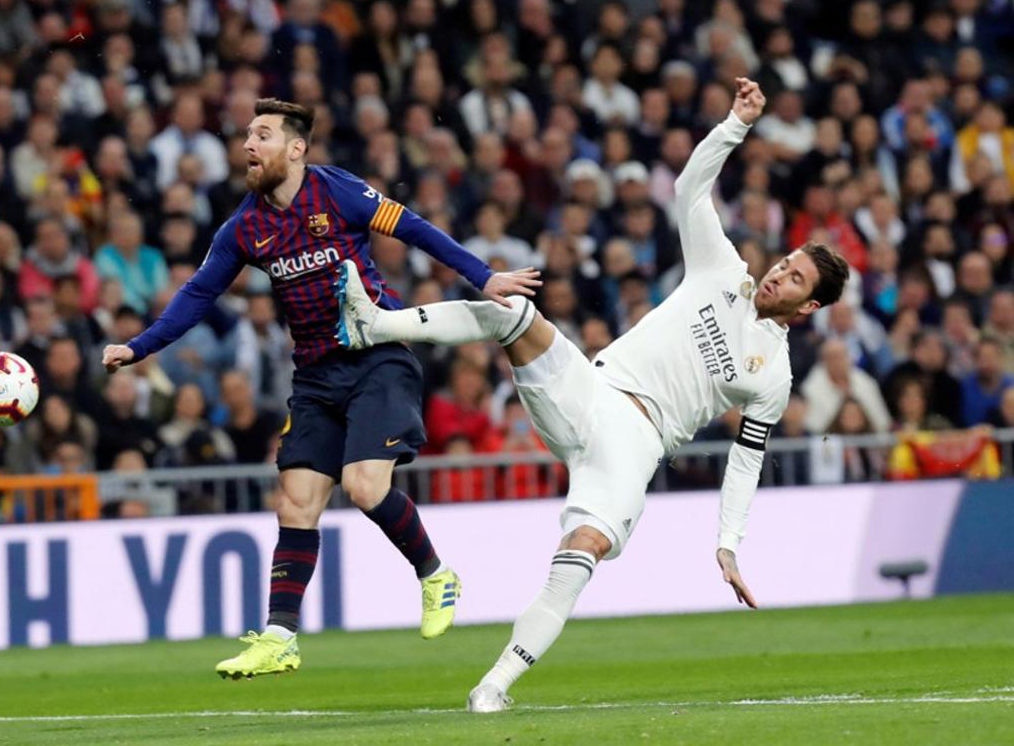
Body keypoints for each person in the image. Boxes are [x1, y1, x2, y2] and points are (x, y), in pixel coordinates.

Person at [336, 79, 849, 712]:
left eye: (796, 277)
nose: (779, 273)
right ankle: (375, 324)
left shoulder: (773, 373)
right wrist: (735, 125)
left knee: (580, 556)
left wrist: (728, 543)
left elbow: (747, 458)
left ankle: (492, 686)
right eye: (786, 261)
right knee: (513, 314)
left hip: (635, 448)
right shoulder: (724, 271)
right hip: (591, 389)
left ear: (811, 304)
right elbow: (690, 189)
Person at [101, 99, 539, 678]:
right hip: (314, 377)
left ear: (297, 148)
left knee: (362, 486)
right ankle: (280, 636)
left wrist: (483, 276)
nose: (248, 146)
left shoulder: (338, 193)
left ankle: (435, 574)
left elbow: (412, 228)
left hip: (379, 358)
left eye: (262, 135)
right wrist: (140, 346)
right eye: (245, 136)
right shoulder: (246, 228)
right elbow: (198, 293)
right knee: (296, 501)